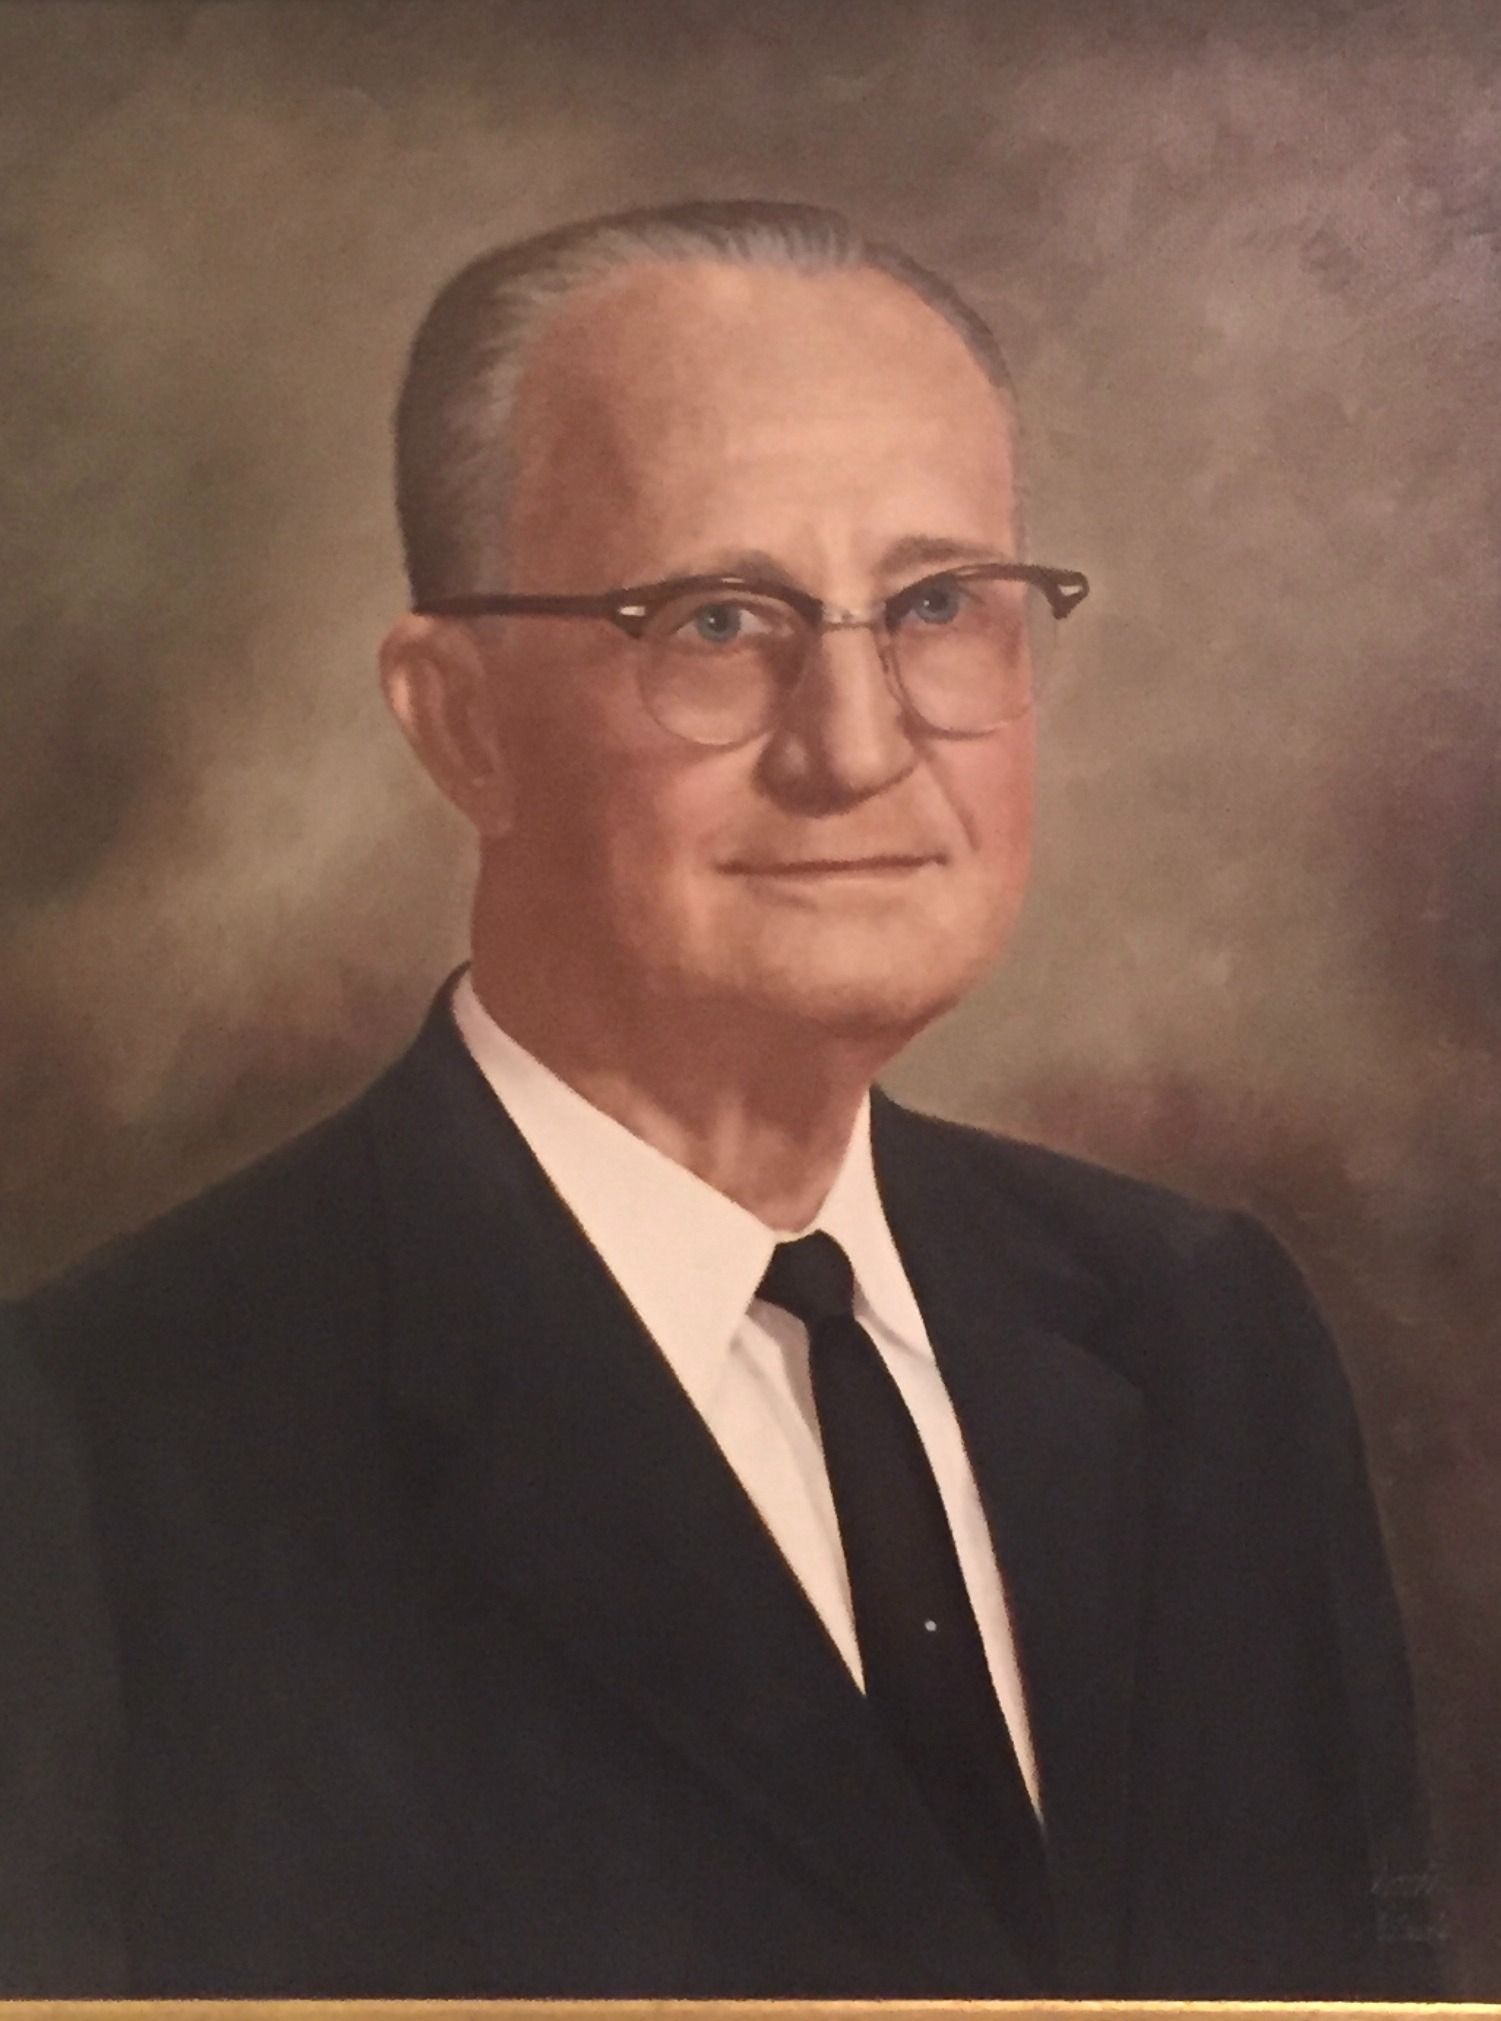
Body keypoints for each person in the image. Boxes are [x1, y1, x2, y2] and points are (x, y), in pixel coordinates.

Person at [7, 200, 1439, 1997]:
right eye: (714, 620)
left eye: (936, 606)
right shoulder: (94, 1451)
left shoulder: (1203, 1331)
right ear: (458, 719)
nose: (853, 743)